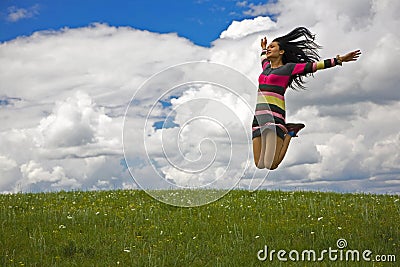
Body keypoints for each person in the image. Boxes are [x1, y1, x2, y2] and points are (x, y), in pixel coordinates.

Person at [252, 27, 361, 170]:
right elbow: (263, 58)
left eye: (273, 47)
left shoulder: (289, 68)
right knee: (259, 164)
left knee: (271, 165)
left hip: (274, 117)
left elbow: (315, 66)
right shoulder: (265, 68)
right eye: (269, 48)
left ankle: (290, 132)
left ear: (281, 52)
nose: (268, 50)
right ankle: (289, 131)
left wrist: (339, 59)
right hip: (258, 118)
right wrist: (263, 48)